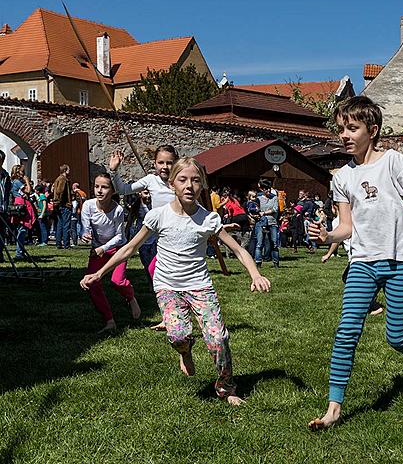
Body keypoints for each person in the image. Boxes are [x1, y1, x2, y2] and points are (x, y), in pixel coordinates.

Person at [80, 157, 271, 406]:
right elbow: (129, 248)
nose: (189, 186)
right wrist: (100, 273)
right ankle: (185, 351)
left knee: (218, 338)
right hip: (167, 287)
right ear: (172, 184)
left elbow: (238, 250)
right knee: (179, 336)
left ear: (202, 185)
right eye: (183, 180)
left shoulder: (209, 219)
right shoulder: (159, 216)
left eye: (195, 180)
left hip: (199, 286)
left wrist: (255, 274)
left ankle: (227, 388)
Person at [306, 95, 403, 431]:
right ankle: (334, 407)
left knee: (396, 336)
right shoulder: (341, 178)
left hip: (400, 259)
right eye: (341, 129)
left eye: (352, 128)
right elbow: (346, 227)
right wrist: (328, 236)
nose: (345, 135)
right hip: (362, 261)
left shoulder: (393, 161)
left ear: (372, 130)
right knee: (347, 330)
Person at [79, 173, 141, 333]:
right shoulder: (88, 205)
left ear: (113, 191)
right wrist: (84, 234)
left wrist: (103, 248)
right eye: (96, 186)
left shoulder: (118, 210)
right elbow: (85, 225)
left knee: (117, 281)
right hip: (97, 250)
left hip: (117, 249)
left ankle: (131, 297)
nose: (99, 190)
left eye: (104, 187)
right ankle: (109, 321)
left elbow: (120, 236)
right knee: (92, 284)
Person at [109, 146, 178, 278]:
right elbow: (123, 189)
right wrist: (114, 171)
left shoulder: (180, 181)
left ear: (175, 163)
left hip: (176, 233)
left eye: (169, 163)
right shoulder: (151, 180)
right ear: (154, 163)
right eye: (161, 162)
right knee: (153, 271)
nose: (165, 166)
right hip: (157, 235)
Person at [254, 178, 280, 267]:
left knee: (274, 243)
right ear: (262, 189)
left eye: (269, 188)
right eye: (265, 189)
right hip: (261, 223)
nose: (268, 190)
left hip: (272, 223)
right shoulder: (258, 198)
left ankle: (276, 262)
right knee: (259, 243)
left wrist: (264, 212)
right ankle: (258, 262)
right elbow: (255, 209)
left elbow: (275, 209)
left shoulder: (275, 197)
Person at [52, 164, 72, 249]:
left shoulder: (57, 179)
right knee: (66, 225)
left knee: (60, 224)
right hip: (64, 205)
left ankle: (58, 243)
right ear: (65, 170)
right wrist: (59, 201)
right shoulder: (63, 179)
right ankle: (66, 244)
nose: (69, 171)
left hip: (59, 205)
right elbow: (60, 191)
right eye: (68, 169)